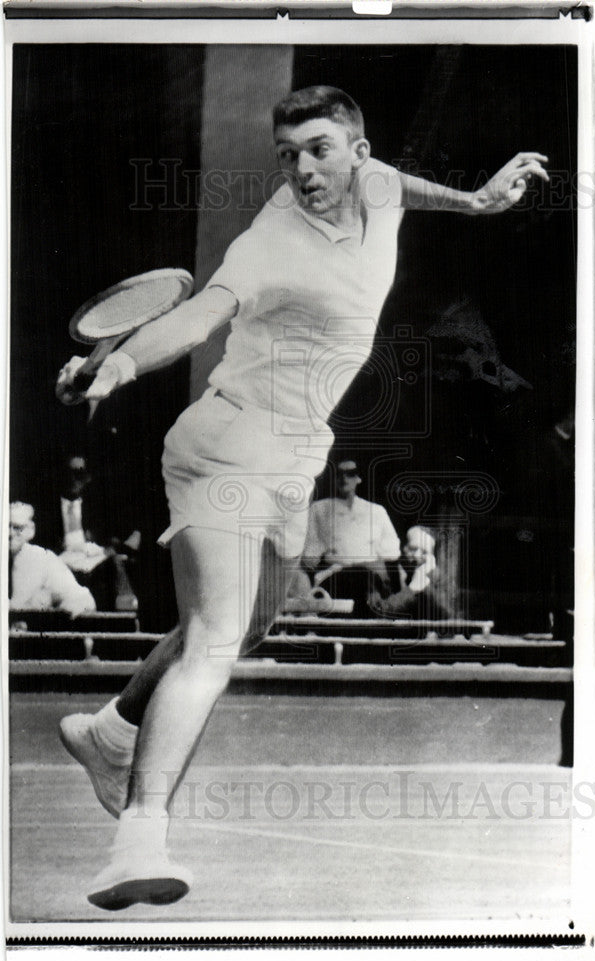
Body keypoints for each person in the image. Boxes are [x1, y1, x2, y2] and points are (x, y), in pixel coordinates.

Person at [56, 84, 548, 909]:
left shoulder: (379, 184)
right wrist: (121, 363)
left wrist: (476, 201)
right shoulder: (272, 241)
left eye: (318, 149)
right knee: (214, 639)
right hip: (228, 439)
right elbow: (203, 313)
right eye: (287, 155)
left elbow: (400, 182)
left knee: (248, 623)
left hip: (295, 455)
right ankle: (137, 836)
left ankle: (109, 730)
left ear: (356, 150)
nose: (302, 169)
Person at [301, 459, 401, 612]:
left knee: (370, 583)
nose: (344, 479)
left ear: (358, 478)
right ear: (333, 478)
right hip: (335, 577)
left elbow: (392, 552)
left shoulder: (376, 511)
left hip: (372, 579)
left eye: (350, 474)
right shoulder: (319, 509)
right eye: (339, 474)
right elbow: (310, 557)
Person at [54, 454, 140, 612]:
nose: (73, 479)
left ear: (88, 477)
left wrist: (112, 550)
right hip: (60, 564)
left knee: (110, 569)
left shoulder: (98, 507)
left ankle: (117, 621)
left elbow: (132, 534)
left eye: (79, 473)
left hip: (93, 565)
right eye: (68, 473)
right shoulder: (47, 509)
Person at [8, 502, 96, 616]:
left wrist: (56, 606)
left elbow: (83, 600)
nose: (9, 533)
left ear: (31, 530)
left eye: (17, 528)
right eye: (4, 526)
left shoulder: (43, 559)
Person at [369, 525, 456, 619]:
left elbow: (449, 616)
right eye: (413, 549)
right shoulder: (379, 573)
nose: (417, 556)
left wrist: (426, 586)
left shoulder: (438, 577)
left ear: (432, 557)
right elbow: (376, 614)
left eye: (424, 552)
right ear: (402, 547)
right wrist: (412, 590)